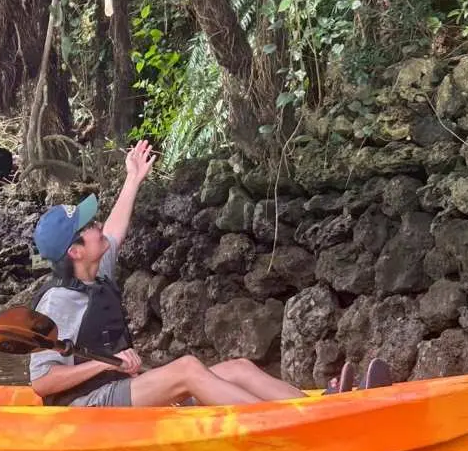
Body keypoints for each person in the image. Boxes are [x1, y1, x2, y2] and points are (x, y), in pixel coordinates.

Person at [29, 140, 389, 407]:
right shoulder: (58, 302)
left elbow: (115, 229)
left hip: (120, 386)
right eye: (88, 226)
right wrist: (102, 366)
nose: (97, 227)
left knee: (239, 368)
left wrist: (134, 178)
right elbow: (43, 384)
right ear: (75, 251)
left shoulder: (97, 269)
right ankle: (287, 423)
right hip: (87, 406)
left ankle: (322, 407)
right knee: (186, 368)